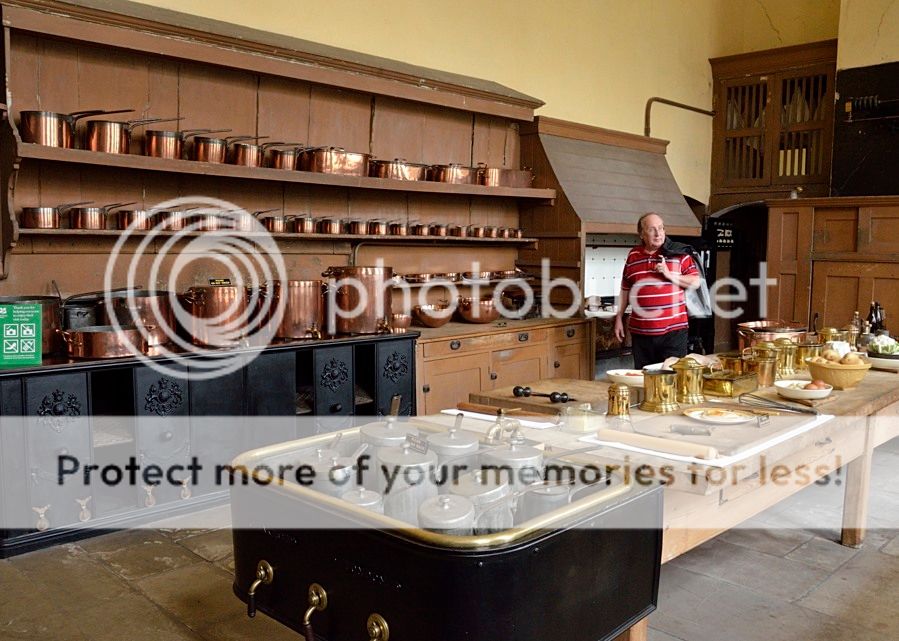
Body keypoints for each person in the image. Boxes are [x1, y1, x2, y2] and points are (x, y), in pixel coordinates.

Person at [613, 213, 701, 369]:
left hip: (673, 333)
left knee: (672, 379)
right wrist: (619, 317)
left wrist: (669, 274)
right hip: (641, 334)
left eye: (661, 228)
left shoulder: (678, 253)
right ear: (642, 234)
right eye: (652, 229)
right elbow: (625, 289)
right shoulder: (633, 256)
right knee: (644, 378)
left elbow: (695, 282)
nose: (658, 233)